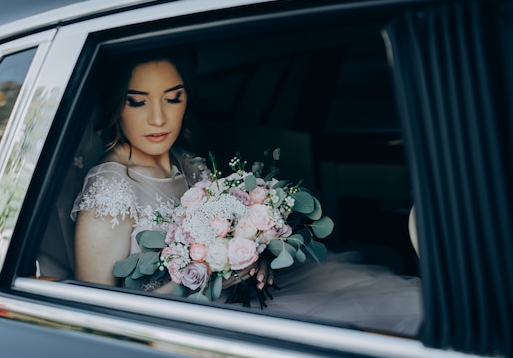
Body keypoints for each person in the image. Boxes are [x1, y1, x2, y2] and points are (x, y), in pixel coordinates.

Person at [72, 50, 422, 337]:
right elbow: (95, 319)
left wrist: (255, 254)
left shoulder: (187, 163)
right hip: (186, 333)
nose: (159, 118)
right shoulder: (111, 189)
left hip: (237, 304)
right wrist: (207, 278)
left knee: (393, 308)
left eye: (173, 98)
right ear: (117, 105)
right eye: (138, 102)